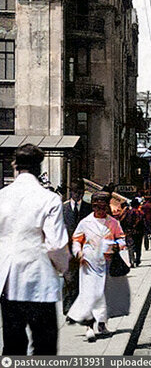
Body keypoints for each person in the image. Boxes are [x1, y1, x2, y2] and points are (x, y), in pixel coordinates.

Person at [0, 144, 69, 355]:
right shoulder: (48, 199)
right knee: (44, 342)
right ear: (39, 167)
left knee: (13, 343)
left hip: (8, 277)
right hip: (39, 278)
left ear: (15, 165)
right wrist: (64, 269)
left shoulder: (2, 196)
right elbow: (55, 244)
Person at [67, 192, 127, 342]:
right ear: (93, 208)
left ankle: (102, 325)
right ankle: (89, 327)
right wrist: (78, 252)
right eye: (97, 207)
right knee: (90, 295)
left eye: (102, 207)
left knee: (104, 295)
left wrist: (117, 247)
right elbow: (76, 240)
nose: (100, 211)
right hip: (88, 263)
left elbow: (121, 238)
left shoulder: (113, 223)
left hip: (106, 264)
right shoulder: (85, 223)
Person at [62, 179, 92, 316]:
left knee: (83, 281)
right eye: (75, 192)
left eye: (80, 192)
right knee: (69, 279)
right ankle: (68, 309)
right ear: (70, 192)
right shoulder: (63, 208)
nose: (77, 195)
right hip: (67, 250)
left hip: (84, 250)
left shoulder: (89, 208)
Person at [121, 200, 145, 268]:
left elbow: (122, 221)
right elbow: (143, 223)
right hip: (139, 232)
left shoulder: (127, 213)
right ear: (137, 205)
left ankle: (132, 261)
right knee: (138, 246)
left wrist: (124, 230)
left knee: (130, 247)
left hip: (129, 232)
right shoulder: (140, 213)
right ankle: (137, 260)